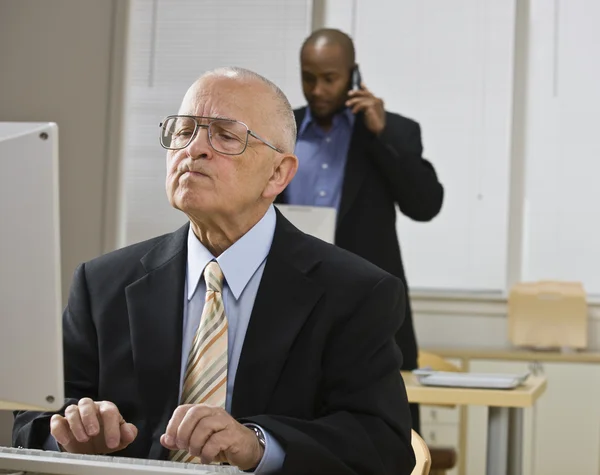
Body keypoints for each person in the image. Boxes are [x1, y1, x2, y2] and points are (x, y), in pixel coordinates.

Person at [13, 67, 415, 474]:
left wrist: (259, 446)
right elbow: (32, 423)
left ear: (278, 173)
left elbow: (381, 446)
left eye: (224, 135)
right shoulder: (101, 284)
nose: (194, 149)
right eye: (183, 131)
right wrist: (70, 436)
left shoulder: (357, 292)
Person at [277, 29, 445, 432]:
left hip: (368, 306)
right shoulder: (280, 131)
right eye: (307, 77)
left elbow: (425, 205)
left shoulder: (391, 131)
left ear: (353, 74)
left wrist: (381, 133)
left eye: (330, 78)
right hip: (288, 305)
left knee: (380, 432)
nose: (317, 90)